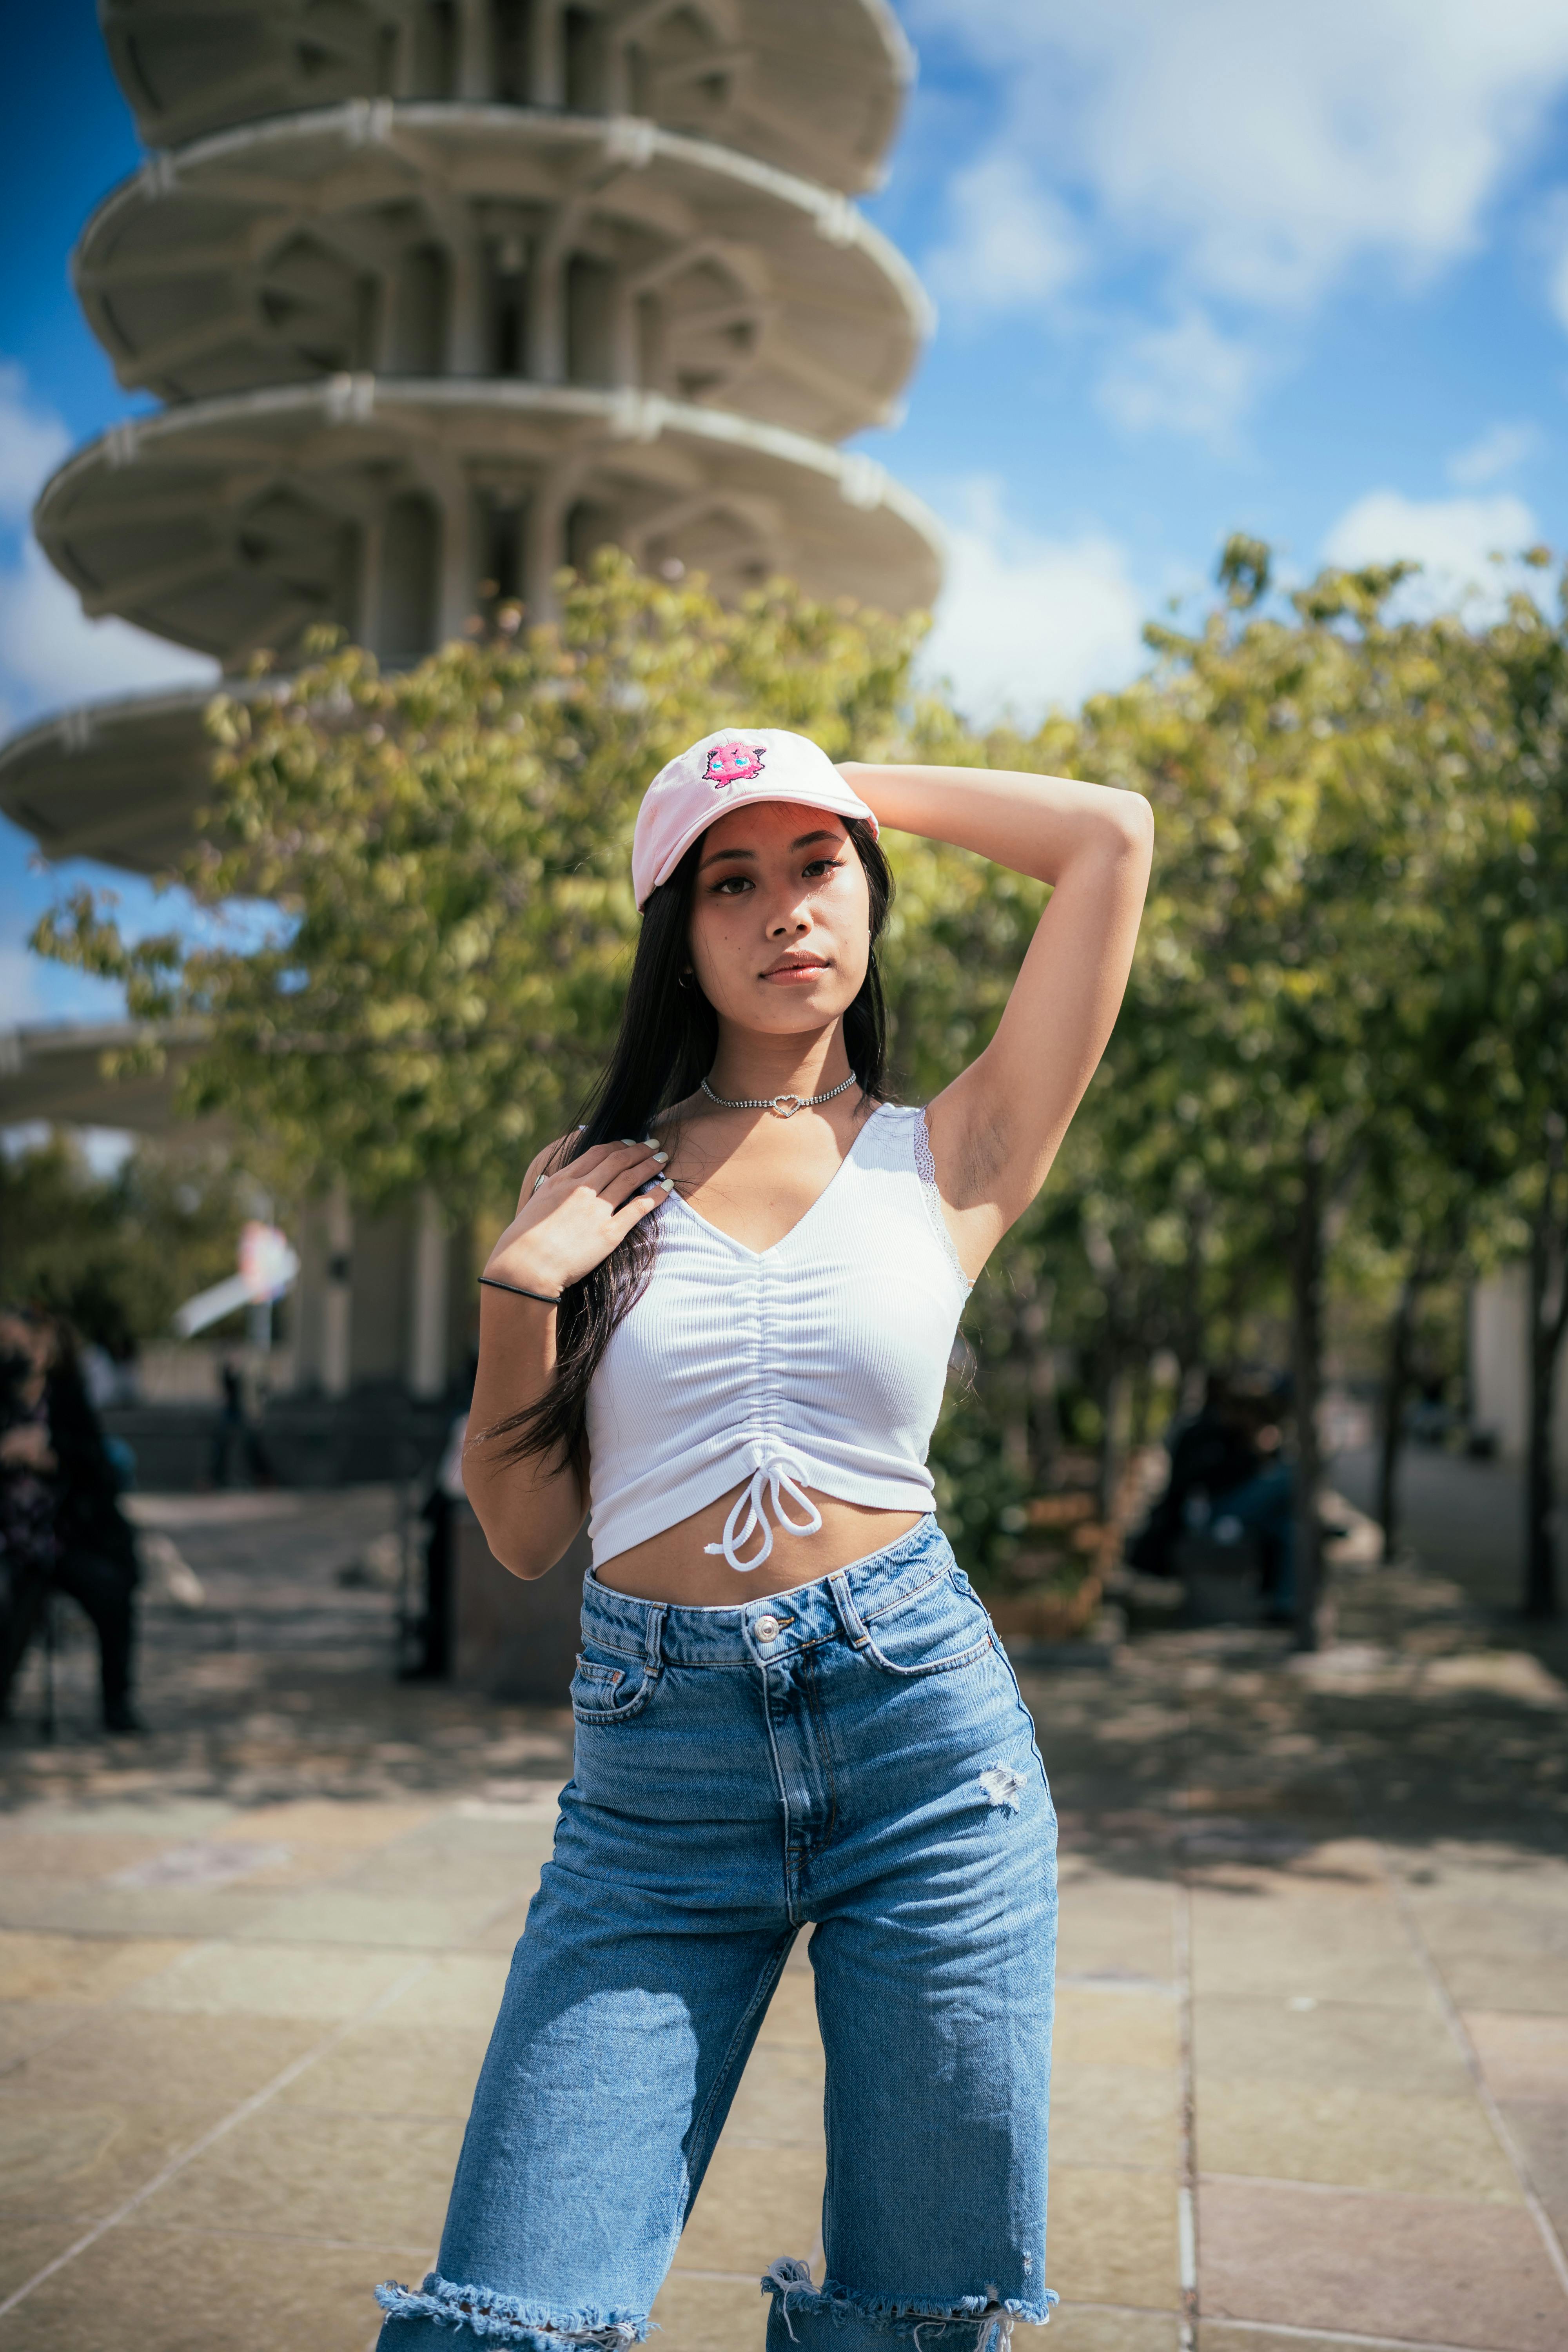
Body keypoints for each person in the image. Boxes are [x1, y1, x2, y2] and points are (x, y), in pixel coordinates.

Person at [374, 730, 1152, 2352]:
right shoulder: (594, 1179)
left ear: (870, 893)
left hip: (928, 1756)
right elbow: (524, 1537)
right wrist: (519, 1293)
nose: (787, 907)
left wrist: (825, 774)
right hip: (658, 1789)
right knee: (500, 2319)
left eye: (820, 867)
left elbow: (1107, 838)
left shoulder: (954, 1151)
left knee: (915, 2319)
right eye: (733, 878)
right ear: (680, 929)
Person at [0, 1308, 144, 1734]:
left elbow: (98, 1468)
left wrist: (52, 1452)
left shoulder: (67, 1401)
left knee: (112, 1592)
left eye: (19, 1344)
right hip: (8, 1541)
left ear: (43, 1351)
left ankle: (116, 1704)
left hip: (62, 1540)